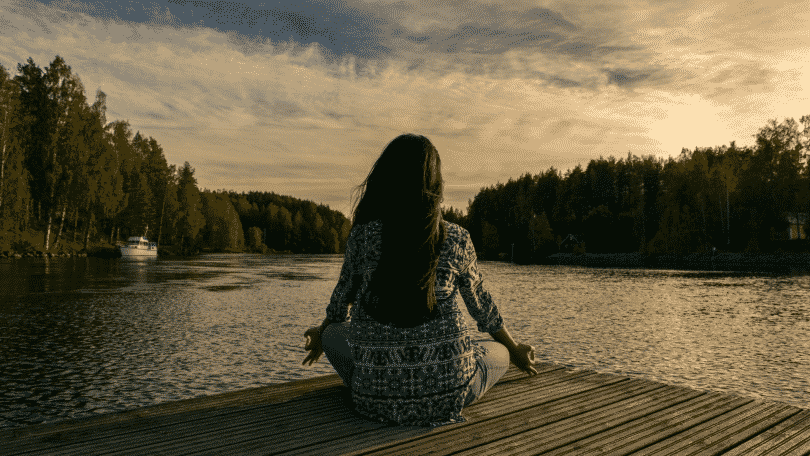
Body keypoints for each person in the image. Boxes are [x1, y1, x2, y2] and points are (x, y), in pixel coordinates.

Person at [302, 134, 537, 426]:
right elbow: (482, 308)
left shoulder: (363, 236)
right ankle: (470, 365)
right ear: (435, 185)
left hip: (374, 399)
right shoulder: (457, 238)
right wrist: (515, 349)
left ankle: (376, 380)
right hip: (450, 395)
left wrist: (321, 333)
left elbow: (339, 305)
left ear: (385, 180)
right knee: (498, 351)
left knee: (333, 334)